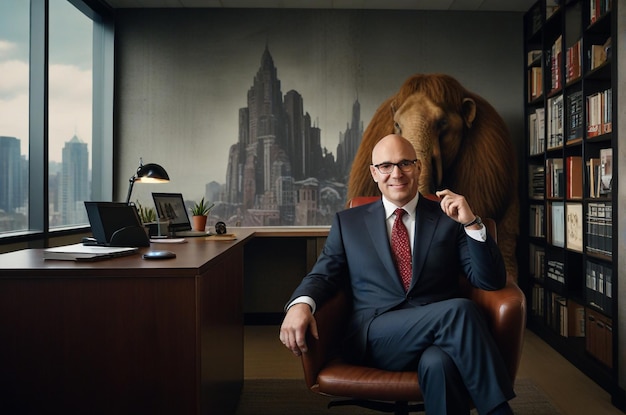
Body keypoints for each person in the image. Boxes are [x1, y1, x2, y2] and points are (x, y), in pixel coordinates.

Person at [279, 134, 515, 415]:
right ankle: (499, 412)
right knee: (461, 311)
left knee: (439, 364)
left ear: (418, 168)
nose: (396, 173)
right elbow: (323, 274)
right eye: (386, 166)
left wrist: (472, 223)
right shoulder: (349, 223)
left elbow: (489, 281)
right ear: (374, 173)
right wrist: (301, 303)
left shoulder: (448, 218)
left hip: (441, 336)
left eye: (405, 163)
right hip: (376, 336)